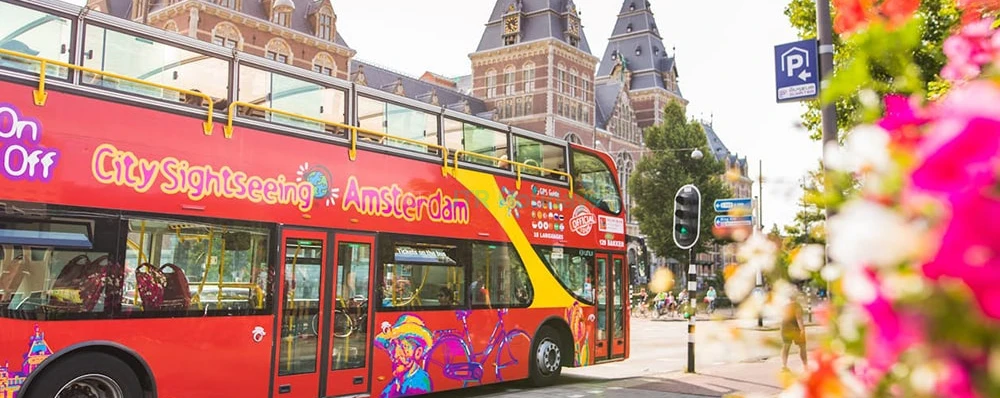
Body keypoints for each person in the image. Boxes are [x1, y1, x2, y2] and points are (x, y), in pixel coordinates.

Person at [781, 293, 808, 371]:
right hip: (795, 328)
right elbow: (798, 318)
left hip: (785, 328)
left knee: (786, 347)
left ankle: (784, 365)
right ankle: (805, 366)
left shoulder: (785, 306)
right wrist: (802, 329)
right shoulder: (797, 306)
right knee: (802, 346)